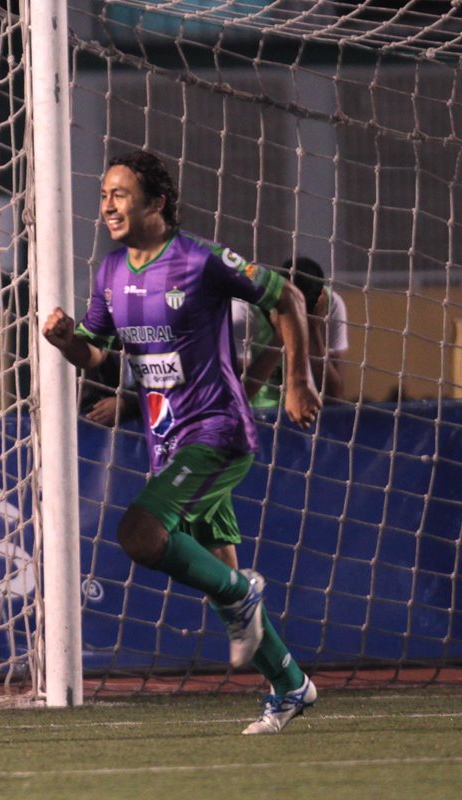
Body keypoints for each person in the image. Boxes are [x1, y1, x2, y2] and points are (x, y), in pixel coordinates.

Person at [41, 150, 321, 734]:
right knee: (225, 594)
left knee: (140, 533)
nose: (107, 205)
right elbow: (97, 352)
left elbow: (287, 298)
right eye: (104, 194)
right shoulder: (111, 272)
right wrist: (66, 341)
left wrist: (297, 381)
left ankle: (245, 594)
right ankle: (291, 685)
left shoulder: (201, 259)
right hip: (167, 442)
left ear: (156, 203)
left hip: (217, 433)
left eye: (120, 193)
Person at [233, 255, 349, 407]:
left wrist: (313, 330)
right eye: (292, 307)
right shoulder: (243, 311)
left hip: (307, 414)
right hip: (258, 416)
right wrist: (281, 335)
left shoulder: (330, 305)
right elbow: (239, 396)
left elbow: (334, 395)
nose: (297, 317)